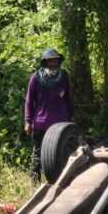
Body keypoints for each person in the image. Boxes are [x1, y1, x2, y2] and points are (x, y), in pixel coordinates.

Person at [24, 47, 73, 181]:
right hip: (42, 123)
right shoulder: (36, 78)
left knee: (63, 153)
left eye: (55, 61)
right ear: (45, 63)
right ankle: (34, 182)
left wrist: (71, 115)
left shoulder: (63, 76)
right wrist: (28, 121)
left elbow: (68, 96)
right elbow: (29, 100)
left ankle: (61, 181)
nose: (53, 64)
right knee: (39, 155)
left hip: (61, 122)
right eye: (50, 61)